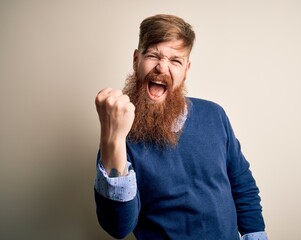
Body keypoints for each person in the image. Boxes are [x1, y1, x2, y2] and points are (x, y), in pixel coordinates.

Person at [94, 14, 267, 240]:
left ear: (186, 69)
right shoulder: (119, 134)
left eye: (175, 60)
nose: (162, 68)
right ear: (136, 59)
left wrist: (256, 234)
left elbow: (242, 184)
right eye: (153, 55)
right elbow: (118, 227)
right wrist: (114, 138)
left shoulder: (214, 115)